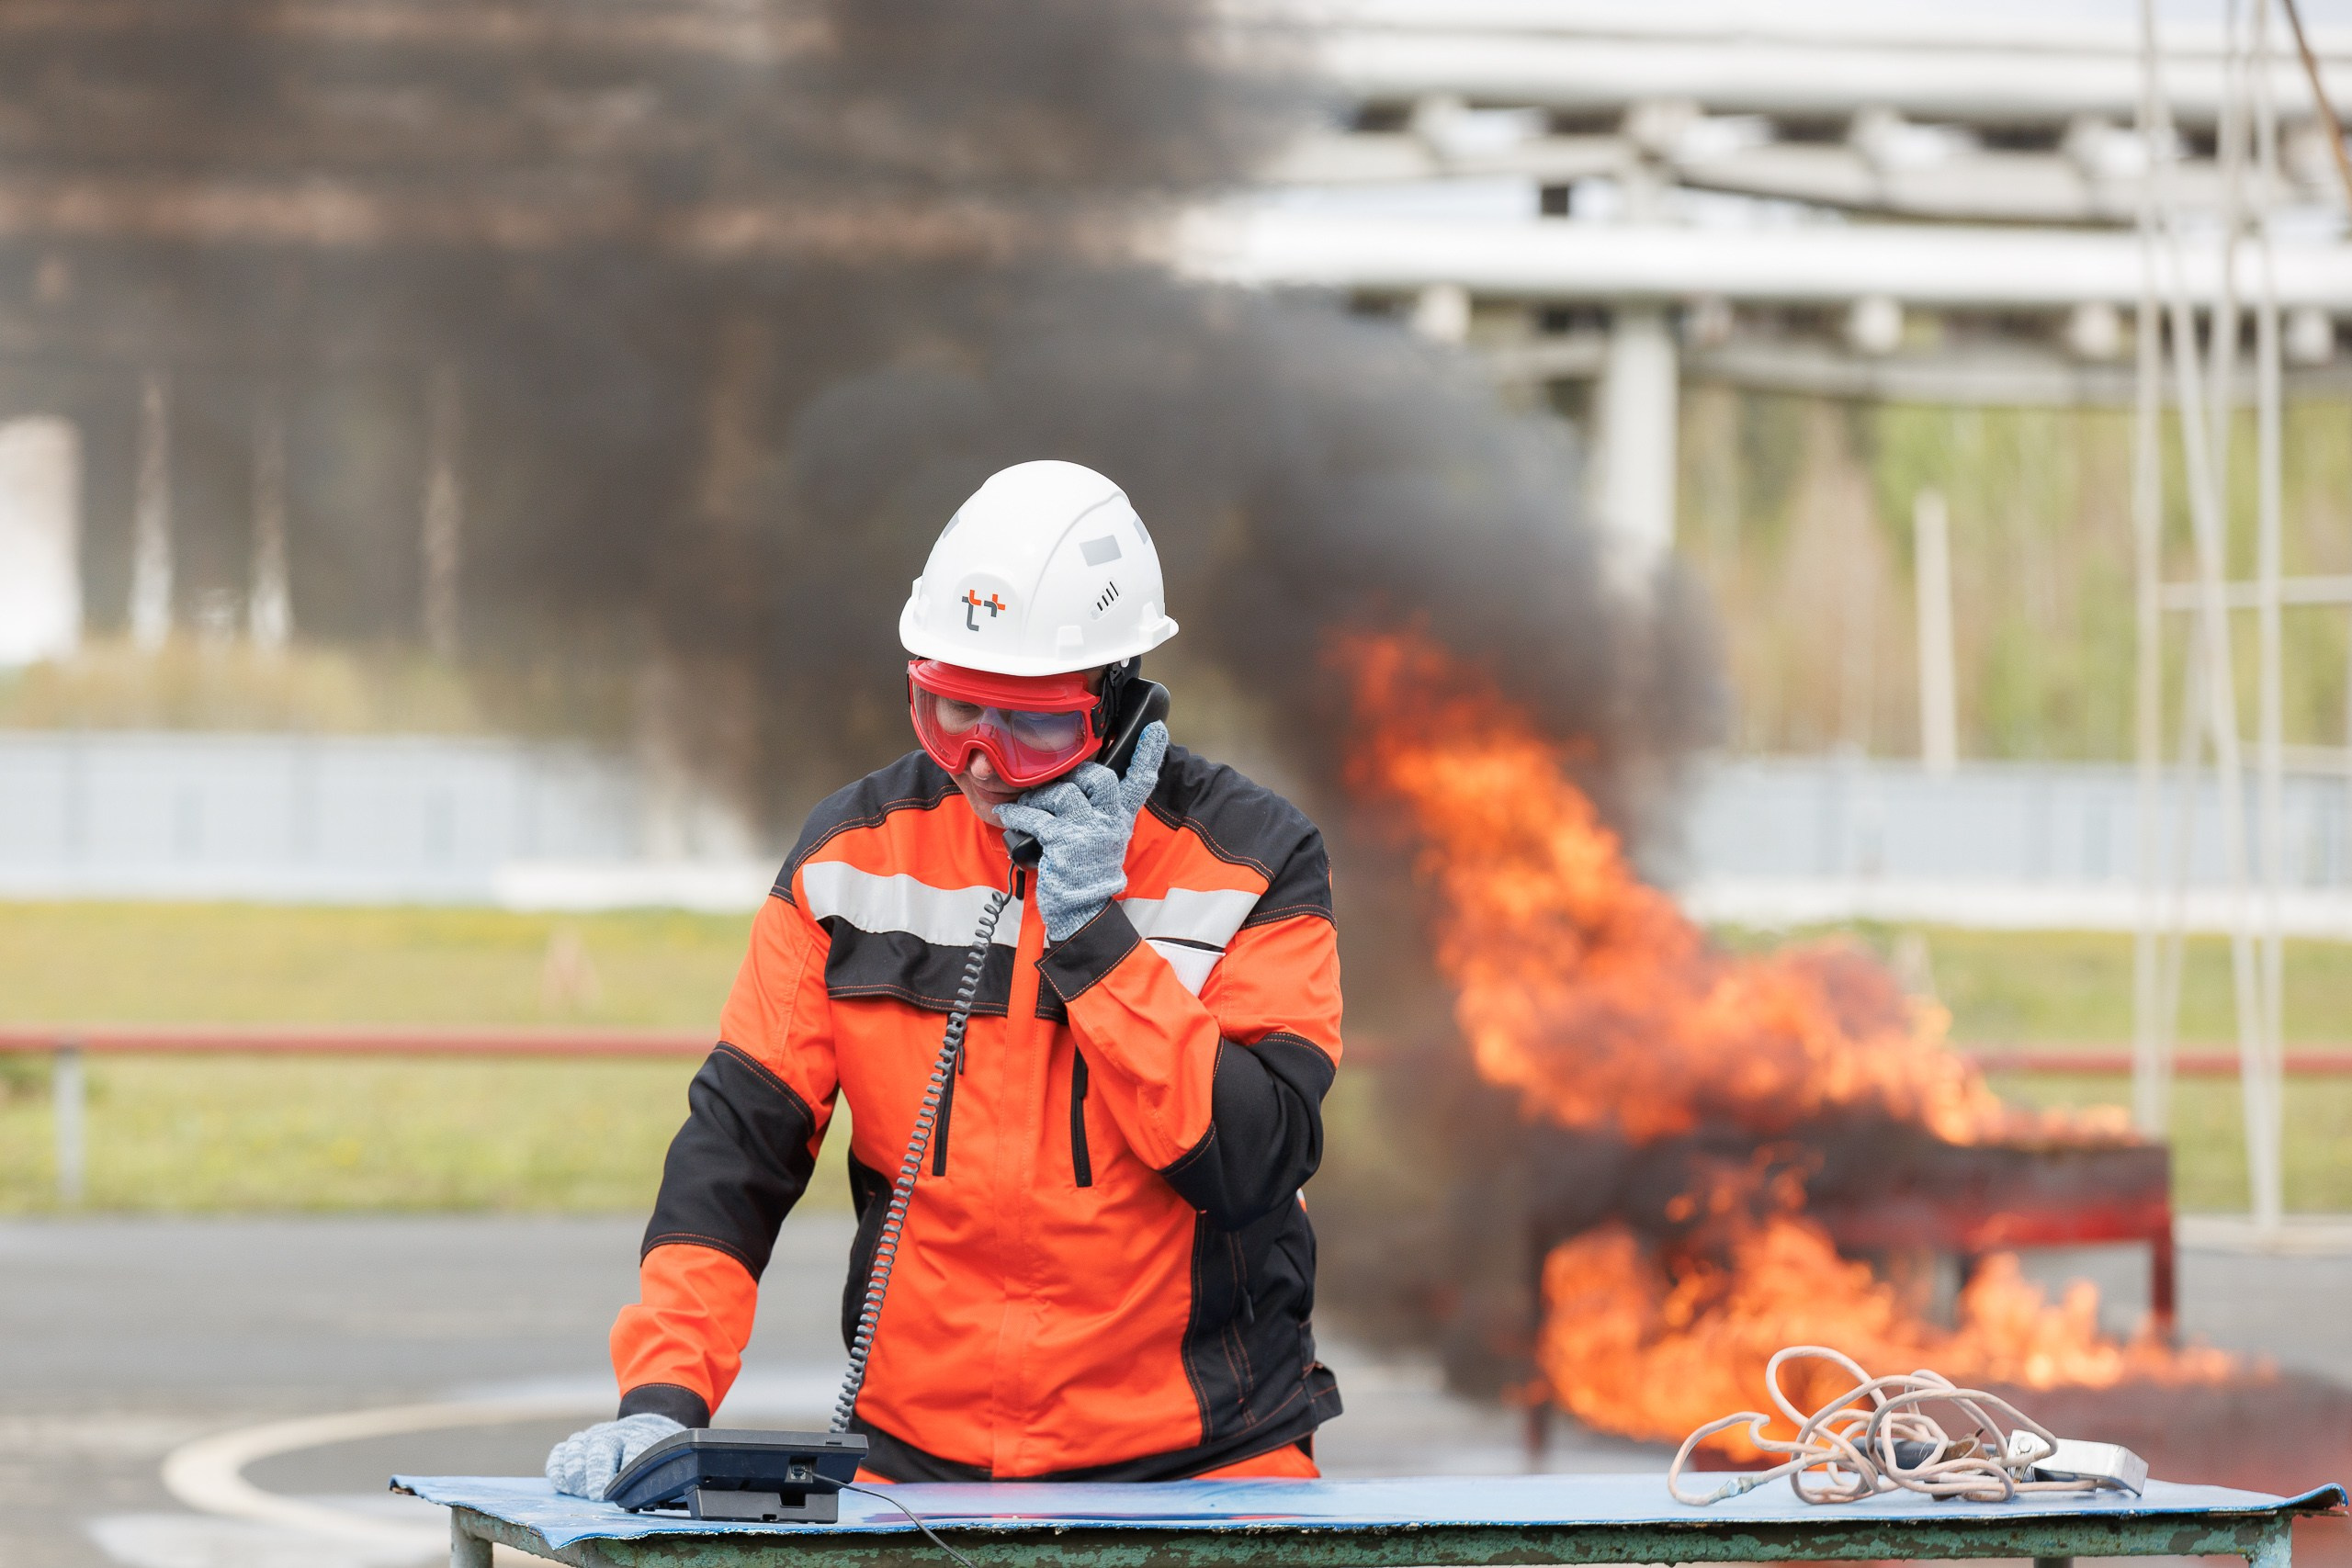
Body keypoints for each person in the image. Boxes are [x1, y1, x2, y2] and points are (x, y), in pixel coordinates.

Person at [546, 459, 1343, 1495]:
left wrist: (1097, 942)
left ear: (1122, 699)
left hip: (1208, 1462)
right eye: (951, 714)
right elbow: (735, 1150)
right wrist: (661, 1397)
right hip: (916, 1466)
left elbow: (1252, 1161)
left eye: (1033, 723)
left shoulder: (1255, 863)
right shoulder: (850, 860)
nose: (980, 761)